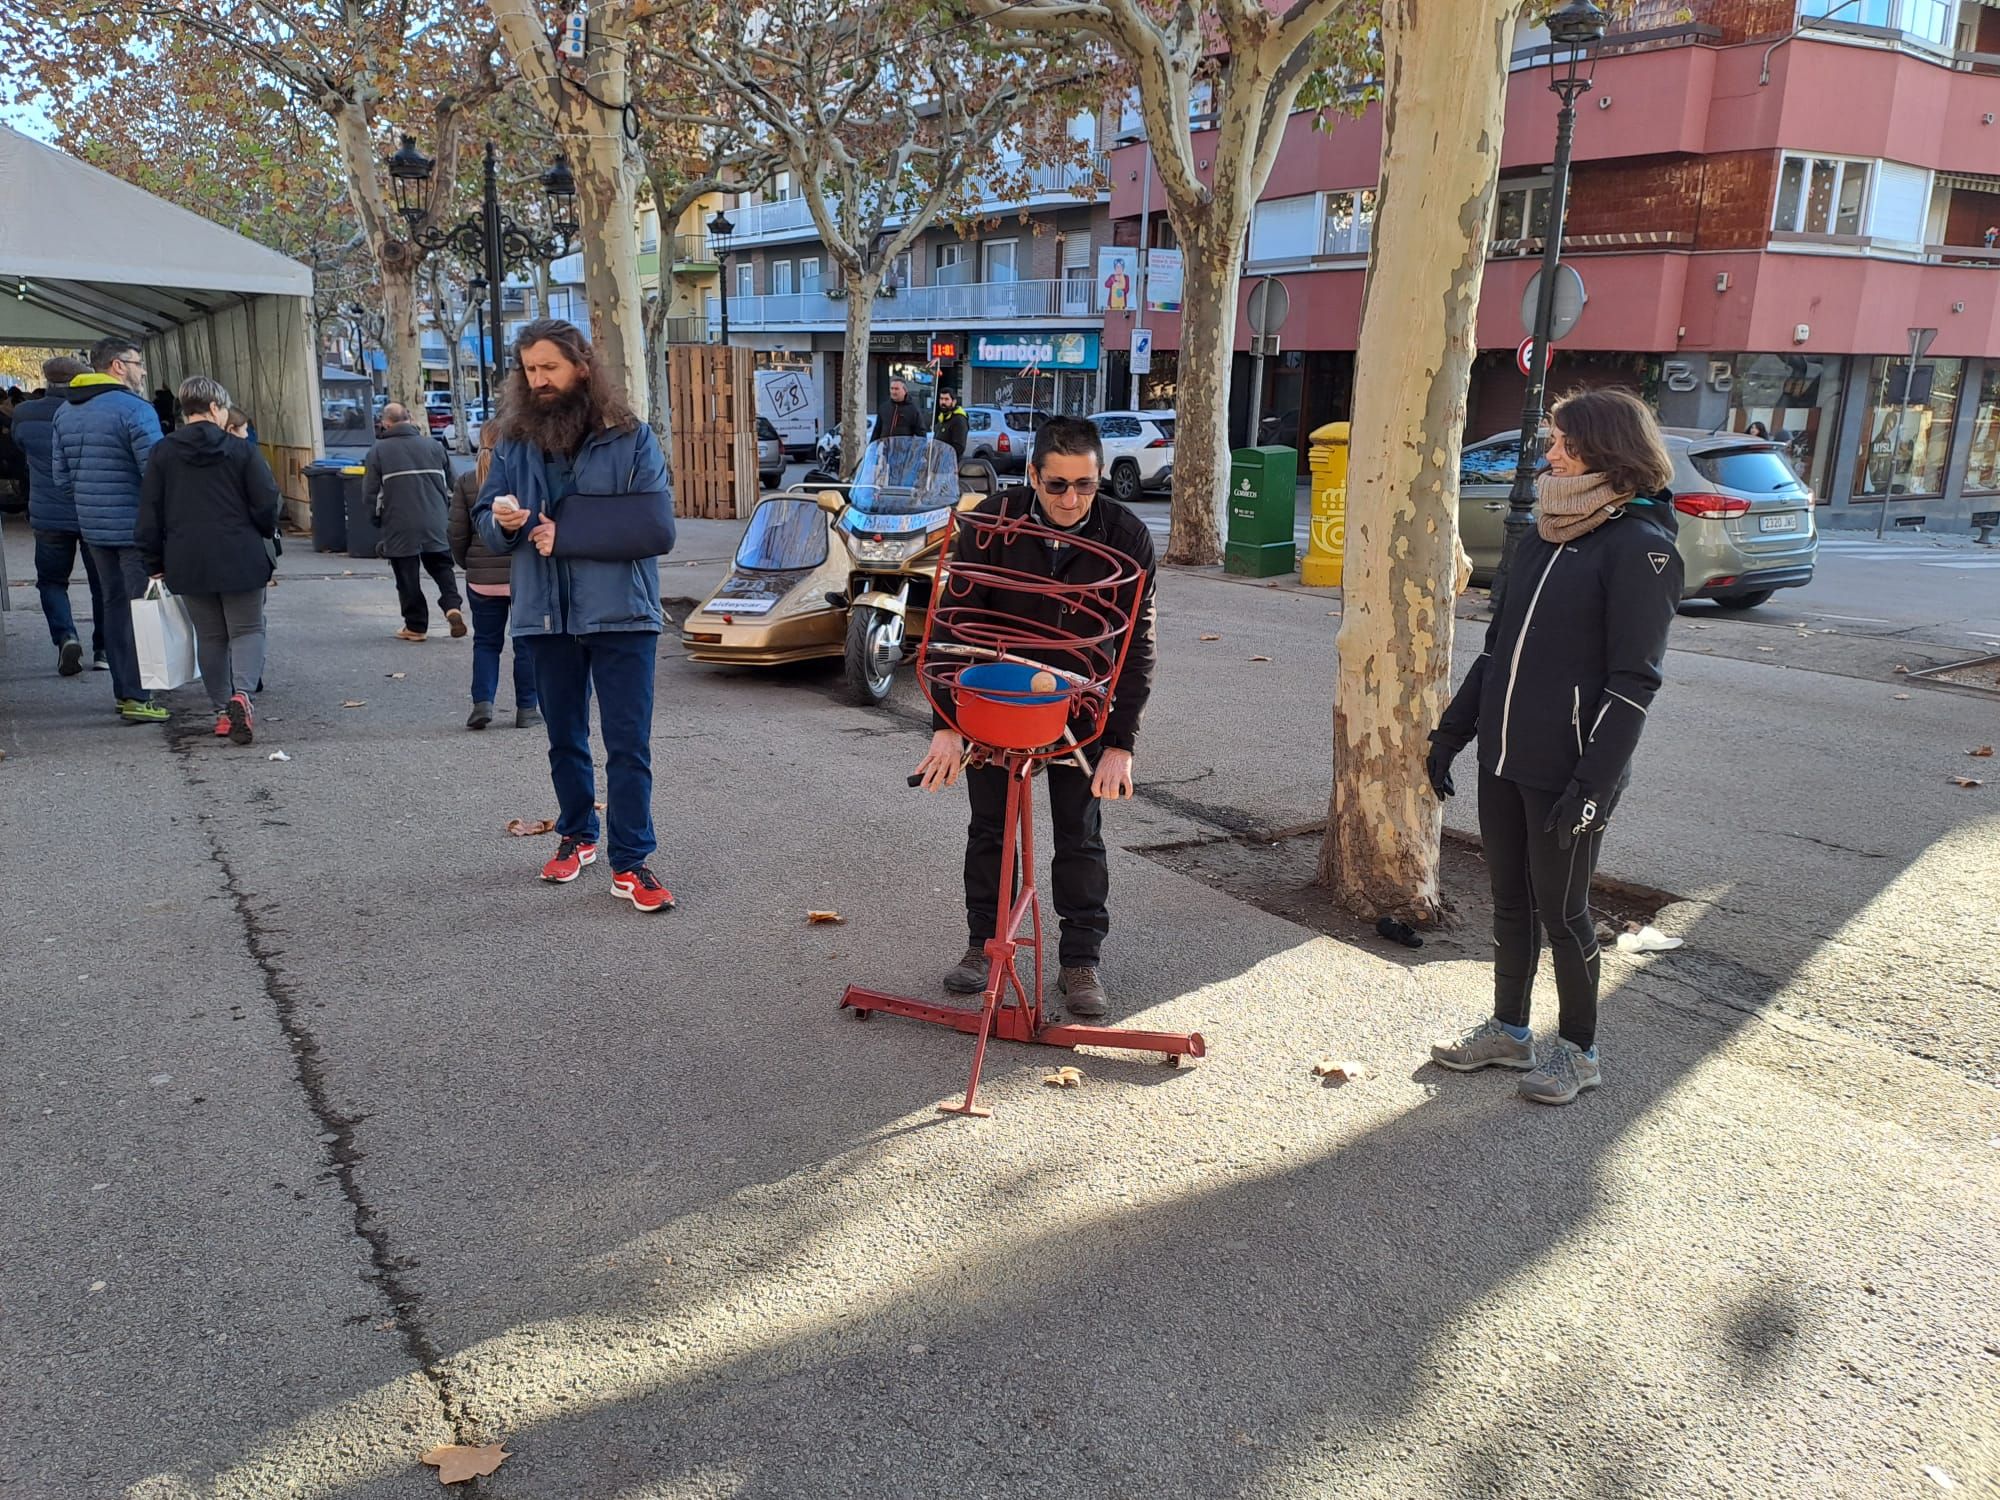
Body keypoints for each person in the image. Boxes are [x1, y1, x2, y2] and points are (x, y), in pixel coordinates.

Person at [1425, 388, 1683, 1106]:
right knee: (1510, 900)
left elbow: (1635, 682)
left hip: (1571, 771)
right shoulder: (1542, 533)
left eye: (1562, 444)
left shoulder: (1641, 547)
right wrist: (1451, 733)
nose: (1549, 455)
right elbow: (1497, 651)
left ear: (1605, 452)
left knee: (1564, 911)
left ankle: (1580, 1050)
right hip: (1504, 758)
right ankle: (1510, 1031)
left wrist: (1593, 784)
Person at [914, 415, 1158, 1020]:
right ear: (1032, 476)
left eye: (1085, 485)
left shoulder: (1126, 536)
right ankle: (985, 945)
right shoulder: (993, 525)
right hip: (997, 700)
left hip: (1082, 706)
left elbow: (1136, 646)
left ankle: (1081, 960)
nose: (1072, 499)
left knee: (1080, 833)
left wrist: (1120, 742)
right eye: (1057, 486)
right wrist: (946, 723)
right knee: (991, 828)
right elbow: (951, 626)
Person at [474, 319, 678, 911]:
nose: (538, 380)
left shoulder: (631, 436)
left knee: (627, 744)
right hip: (544, 615)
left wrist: (565, 534)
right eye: (529, 370)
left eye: (549, 368)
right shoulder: (512, 439)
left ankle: (633, 861)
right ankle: (577, 833)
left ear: (581, 367)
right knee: (563, 737)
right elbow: (488, 519)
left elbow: (655, 527)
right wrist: (502, 522)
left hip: (623, 614)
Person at [136, 376, 281, 746]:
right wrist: (264, 531)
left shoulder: (163, 452)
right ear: (216, 408)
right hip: (240, 553)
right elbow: (266, 502)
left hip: (188, 557)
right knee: (248, 629)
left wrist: (152, 558)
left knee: (211, 636)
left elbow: (150, 510)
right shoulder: (242, 450)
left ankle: (220, 711)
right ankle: (243, 695)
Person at [51, 336, 168, 723]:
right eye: (137, 362)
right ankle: (138, 694)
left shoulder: (65, 412)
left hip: (94, 528)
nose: (142, 370)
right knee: (142, 611)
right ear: (118, 365)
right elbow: (156, 473)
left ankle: (124, 691)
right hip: (135, 528)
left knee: (113, 607)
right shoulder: (136, 410)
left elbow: (61, 478)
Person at [12, 356, 109, 676]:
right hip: (92, 511)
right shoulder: (96, 412)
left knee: (52, 581)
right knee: (103, 584)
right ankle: (104, 648)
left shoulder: (24, 414)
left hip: (48, 514)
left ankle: (66, 636)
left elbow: (19, 445)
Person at [449, 424, 541, 731]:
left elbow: (457, 532)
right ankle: (527, 708)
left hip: (481, 578)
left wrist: (468, 564)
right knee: (525, 643)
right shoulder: (524, 481)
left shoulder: (466, 481)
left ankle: (482, 703)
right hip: (523, 575)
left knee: (486, 643)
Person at [365, 402, 465, 642]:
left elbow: (371, 494)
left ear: (385, 423)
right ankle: (452, 606)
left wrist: (376, 519)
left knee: (407, 576)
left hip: (400, 524)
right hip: (436, 520)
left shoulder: (378, 452)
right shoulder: (434, 446)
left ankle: (416, 626)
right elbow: (455, 485)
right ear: (409, 419)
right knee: (442, 567)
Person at [933, 389, 968, 457]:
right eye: (941, 399)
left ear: (954, 401)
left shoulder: (959, 419)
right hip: (938, 461)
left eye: (946, 399)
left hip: (950, 463)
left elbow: (959, 447)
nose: (943, 402)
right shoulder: (942, 418)